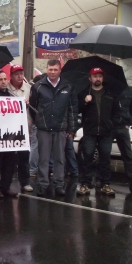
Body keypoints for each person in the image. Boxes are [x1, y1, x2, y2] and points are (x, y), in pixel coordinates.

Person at [29, 60, 78, 196]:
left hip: (61, 128)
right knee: (43, 159)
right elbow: (33, 107)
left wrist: (71, 129)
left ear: (60, 70)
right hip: (43, 128)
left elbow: (72, 109)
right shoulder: (38, 86)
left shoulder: (68, 86)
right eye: (50, 69)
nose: (52, 72)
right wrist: (39, 121)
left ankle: (59, 184)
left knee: (60, 159)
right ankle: (43, 184)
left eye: (55, 69)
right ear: (47, 69)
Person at [77, 68, 118, 196]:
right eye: (95, 76)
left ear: (102, 78)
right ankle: (85, 184)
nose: (97, 79)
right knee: (88, 158)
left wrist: (112, 124)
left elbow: (117, 112)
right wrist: (85, 102)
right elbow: (77, 109)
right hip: (90, 131)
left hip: (106, 132)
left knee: (105, 159)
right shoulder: (84, 93)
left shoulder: (110, 93)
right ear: (90, 78)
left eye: (100, 76)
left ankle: (105, 184)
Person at [7, 65, 33, 192]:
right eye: (16, 74)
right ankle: (7, 183)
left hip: (25, 129)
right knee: (9, 158)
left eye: (21, 73)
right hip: (9, 130)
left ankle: (25, 182)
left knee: (24, 157)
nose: (19, 76)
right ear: (11, 75)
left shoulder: (29, 89)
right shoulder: (5, 88)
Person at [113, 86, 132, 190]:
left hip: (123, 127)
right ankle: (102, 181)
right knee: (104, 154)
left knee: (128, 155)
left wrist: (129, 122)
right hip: (110, 127)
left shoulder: (130, 90)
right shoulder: (109, 89)